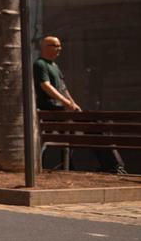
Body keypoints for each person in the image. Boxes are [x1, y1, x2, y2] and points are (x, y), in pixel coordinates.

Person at [35, 35, 125, 174]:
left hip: (63, 111)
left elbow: (63, 88)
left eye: (60, 45)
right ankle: (113, 165)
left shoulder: (55, 66)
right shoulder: (40, 64)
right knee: (94, 126)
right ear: (45, 47)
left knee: (97, 124)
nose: (59, 49)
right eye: (55, 46)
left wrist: (73, 104)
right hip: (53, 112)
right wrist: (66, 103)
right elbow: (46, 86)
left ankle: (112, 165)